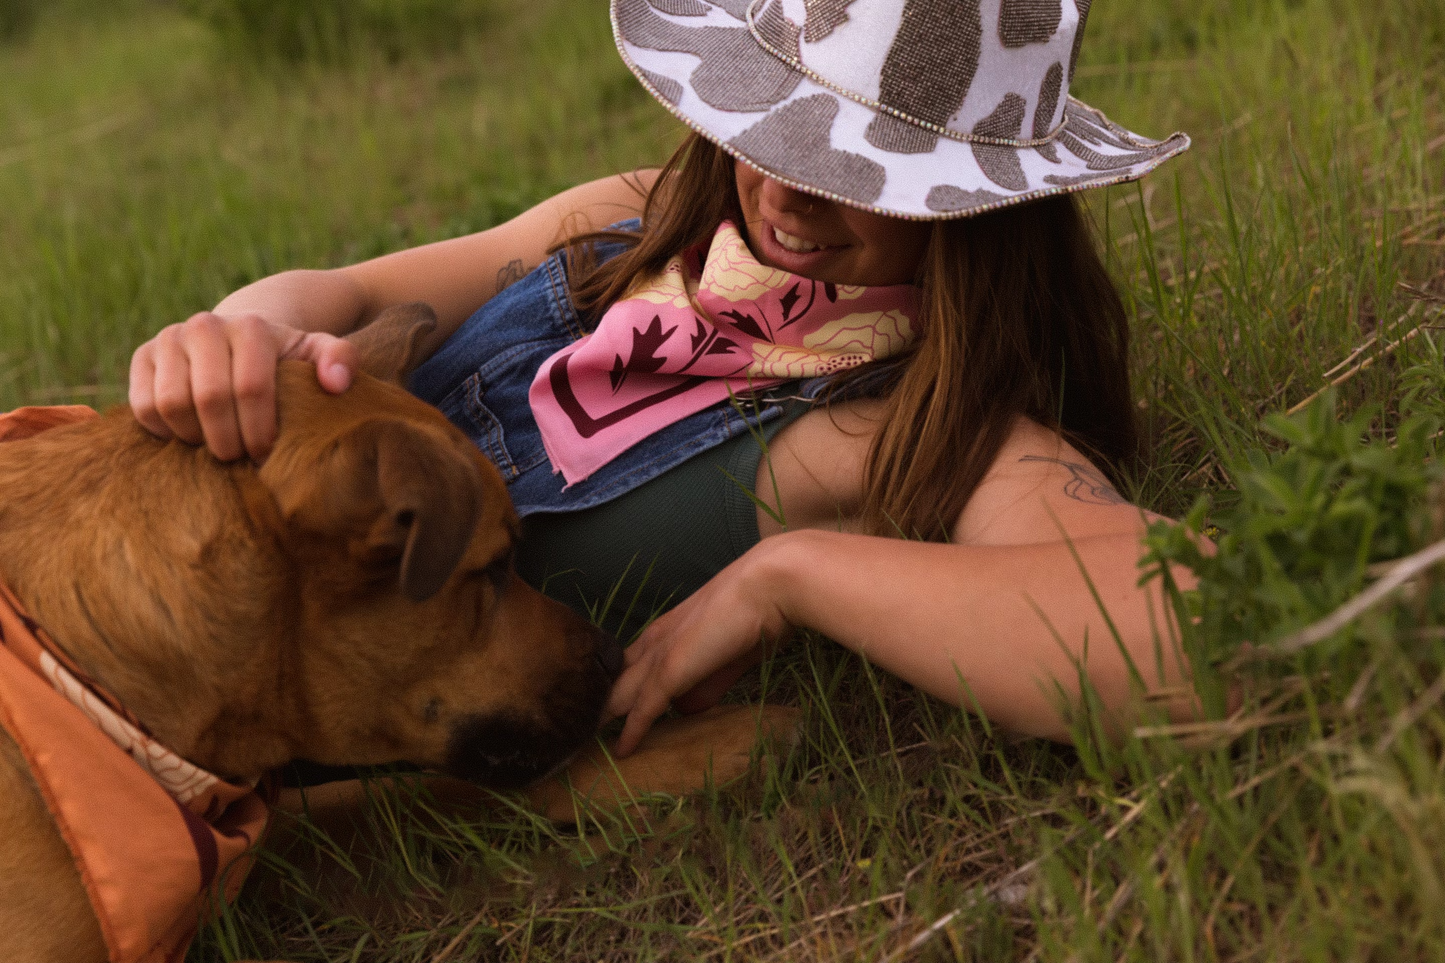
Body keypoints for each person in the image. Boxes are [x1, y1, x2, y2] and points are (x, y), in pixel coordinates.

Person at [128, 0, 1197, 757]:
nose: (783, 195)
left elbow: (1187, 631)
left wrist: (798, 577)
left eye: (850, 170)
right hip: (180, 573)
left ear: (980, 212)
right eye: (774, 129)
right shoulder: (629, 224)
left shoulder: (897, 433)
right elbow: (350, 297)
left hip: (256, 705)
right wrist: (244, 329)